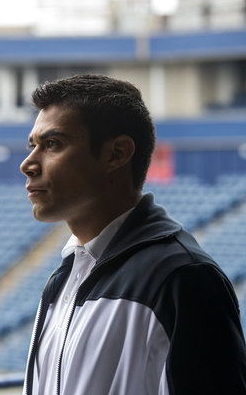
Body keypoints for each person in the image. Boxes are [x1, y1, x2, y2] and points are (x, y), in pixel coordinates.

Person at [20, 74, 246, 395]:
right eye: (33, 146)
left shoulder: (183, 279)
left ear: (117, 153)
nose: (27, 164)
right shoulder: (64, 277)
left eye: (52, 144)